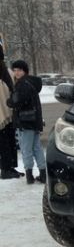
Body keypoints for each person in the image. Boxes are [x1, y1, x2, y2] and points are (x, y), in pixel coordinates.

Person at [7, 59, 46, 184]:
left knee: (26, 149)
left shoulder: (22, 84)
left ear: (25, 71)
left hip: (25, 122)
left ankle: (29, 175)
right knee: (37, 148)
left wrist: (9, 101)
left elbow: (16, 102)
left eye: (19, 70)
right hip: (34, 121)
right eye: (15, 70)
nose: (16, 73)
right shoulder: (31, 82)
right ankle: (43, 173)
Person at [0, 47, 23, 179]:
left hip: (7, 113)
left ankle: (10, 168)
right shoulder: (6, 72)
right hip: (6, 114)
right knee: (6, 142)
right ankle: (5, 169)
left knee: (7, 142)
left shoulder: (7, 72)